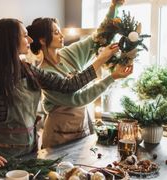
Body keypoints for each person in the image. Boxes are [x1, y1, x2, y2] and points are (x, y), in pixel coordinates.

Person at [0, 18, 128, 167]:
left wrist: (103, 63)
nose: (30, 40)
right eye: (25, 36)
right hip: (2, 157)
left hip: (31, 151)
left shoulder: (29, 70)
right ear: (10, 40)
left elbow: (69, 86)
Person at [27, 0, 131, 148]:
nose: (61, 35)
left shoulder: (69, 53)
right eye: (56, 33)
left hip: (81, 128)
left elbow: (98, 38)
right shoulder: (44, 73)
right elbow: (78, 98)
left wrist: (114, 6)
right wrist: (110, 74)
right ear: (43, 40)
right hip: (58, 135)